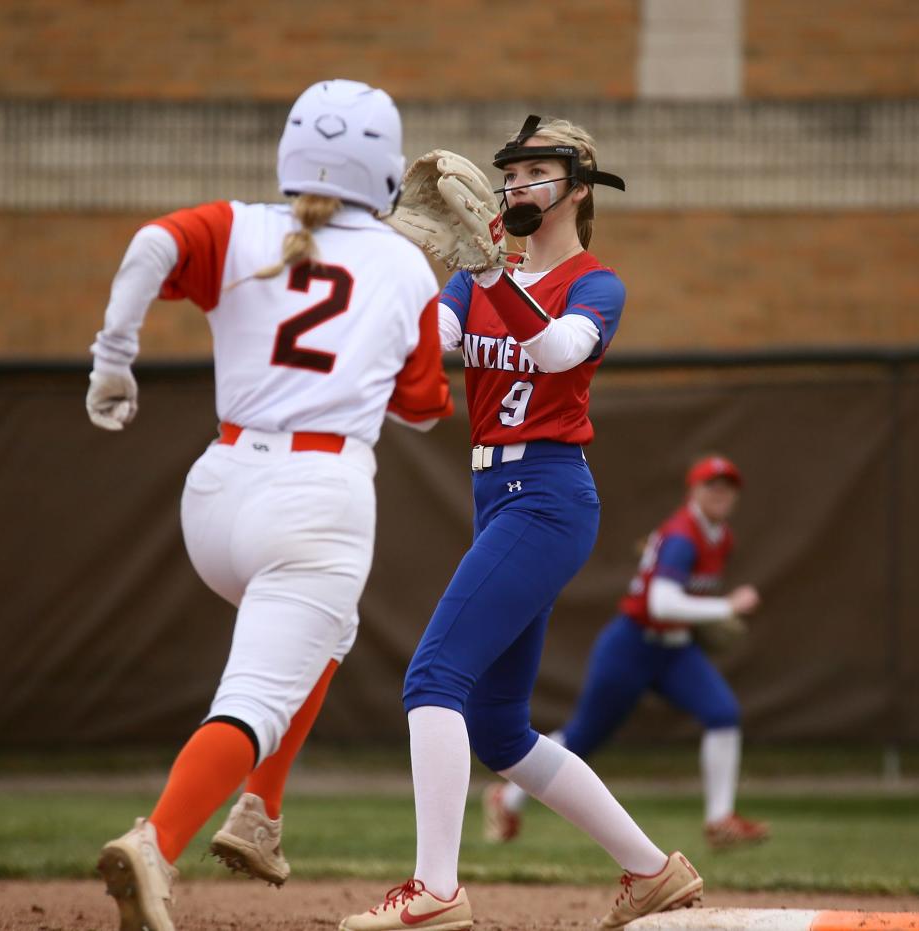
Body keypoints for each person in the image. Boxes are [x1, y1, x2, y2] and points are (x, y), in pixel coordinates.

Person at [85, 78, 453, 931]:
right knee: (251, 700)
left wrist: (114, 356)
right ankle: (156, 842)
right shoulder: (404, 265)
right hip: (315, 504)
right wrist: (438, 318)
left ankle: (261, 811)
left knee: (331, 631)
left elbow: (149, 245)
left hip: (215, 493)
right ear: (386, 171)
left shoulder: (243, 225)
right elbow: (425, 409)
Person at [340, 116, 702, 931]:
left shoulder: (594, 283)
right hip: (495, 499)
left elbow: (556, 353)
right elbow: (429, 338)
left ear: (578, 187)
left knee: (433, 678)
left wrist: (490, 271)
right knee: (500, 730)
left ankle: (436, 889)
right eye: (513, 169)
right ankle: (652, 872)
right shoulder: (475, 278)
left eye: (540, 169)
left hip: (548, 495)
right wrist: (391, 272)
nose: (517, 182)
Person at [484, 454, 768, 851]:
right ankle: (507, 798)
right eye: (711, 485)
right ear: (693, 490)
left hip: (673, 650)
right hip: (632, 646)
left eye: (728, 487)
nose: (720, 494)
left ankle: (720, 820)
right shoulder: (683, 537)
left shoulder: (720, 537)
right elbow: (661, 605)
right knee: (584, 734)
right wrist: (725, 607)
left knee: (723, 715)